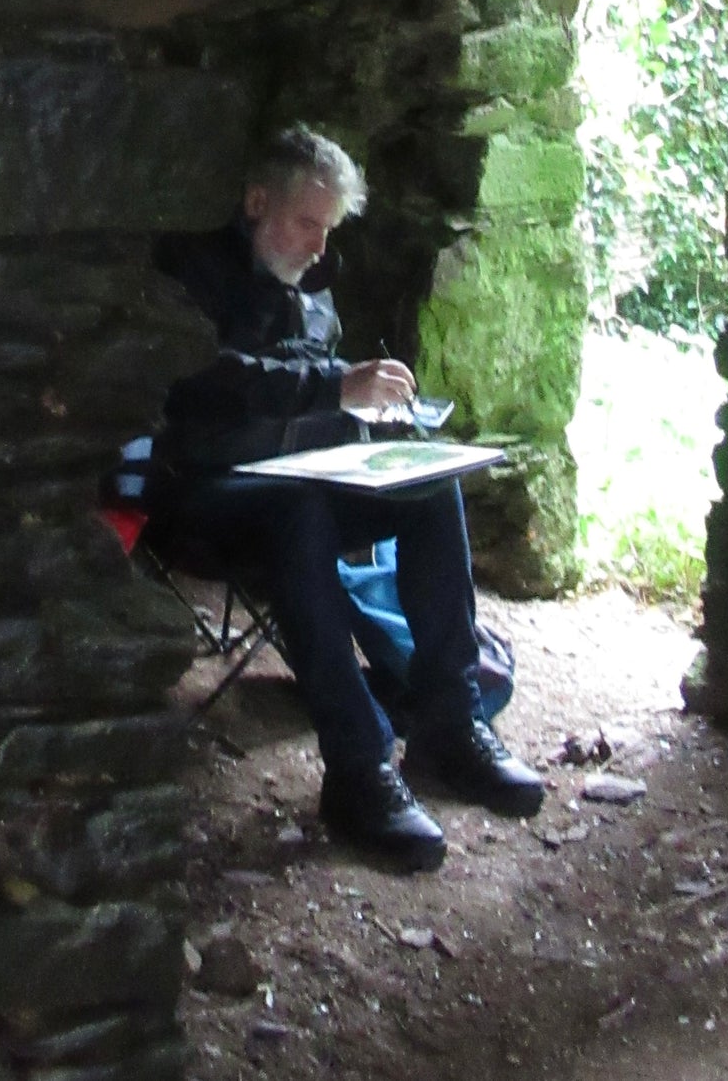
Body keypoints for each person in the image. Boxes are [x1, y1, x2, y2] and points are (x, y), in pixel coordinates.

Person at [149, 125, 544, 871]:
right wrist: (333, 387)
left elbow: (316, 384)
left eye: (328, 232)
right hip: (199, 494)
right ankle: (359, 770)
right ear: (256, 201)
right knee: (298, 509)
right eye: (306, 224)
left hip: (302, 480)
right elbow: (203, 384)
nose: (317, 249)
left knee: (429, 483)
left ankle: (451, 722)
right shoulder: (191, 271)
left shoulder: (310, 287)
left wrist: (375, 420)